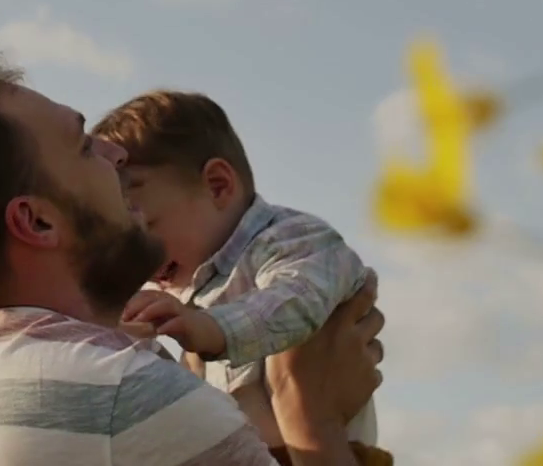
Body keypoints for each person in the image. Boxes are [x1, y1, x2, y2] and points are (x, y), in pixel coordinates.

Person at [0, 52, 383, 466]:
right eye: (84, 147)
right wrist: (311, 418)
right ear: (38, 221)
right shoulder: (123, 390)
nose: (115, 155)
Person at [94, 91, 383, 463]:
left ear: (217, 185)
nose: (138, 263)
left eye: (146, 228)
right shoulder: (192, 288)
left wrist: (212, 328)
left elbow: (297, 298)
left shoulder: (291, 239)